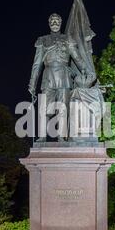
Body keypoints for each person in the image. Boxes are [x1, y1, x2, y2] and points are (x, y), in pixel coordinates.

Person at [28, 13, 88, 141]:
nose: (55, 23)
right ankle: (42, 136)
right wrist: (32, 84)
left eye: (57, 21)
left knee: (63, 108)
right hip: (48, 76)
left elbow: (76, 57)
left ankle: (61, 136)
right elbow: (37, 64)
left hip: (64, 76)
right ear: (49, 23)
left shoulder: (68, 39)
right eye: (52, 21)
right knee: (44, 108)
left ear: (60, 23)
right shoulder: (42, 40)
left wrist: (85, 70)